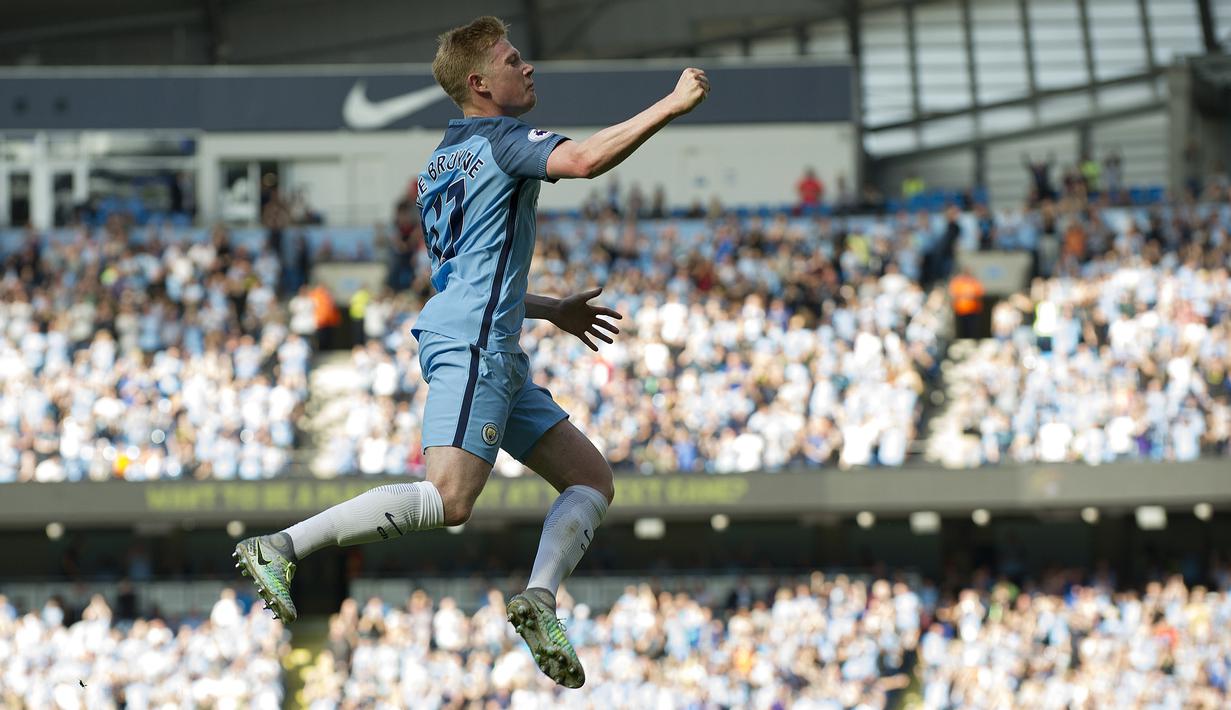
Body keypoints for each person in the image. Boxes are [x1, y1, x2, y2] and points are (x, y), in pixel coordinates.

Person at [231, 15, 709, 690]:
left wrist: (549, 309)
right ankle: (280, 546)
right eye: (515, 60)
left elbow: (468, 272)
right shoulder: (505, 141)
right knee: (451, 499)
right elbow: (583, 160)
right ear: (480, 83)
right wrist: (670, 104)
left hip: (490, 340)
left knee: (591, 480)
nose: (529, 68)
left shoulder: (437, 166)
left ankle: (538, 599)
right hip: (474, 342)